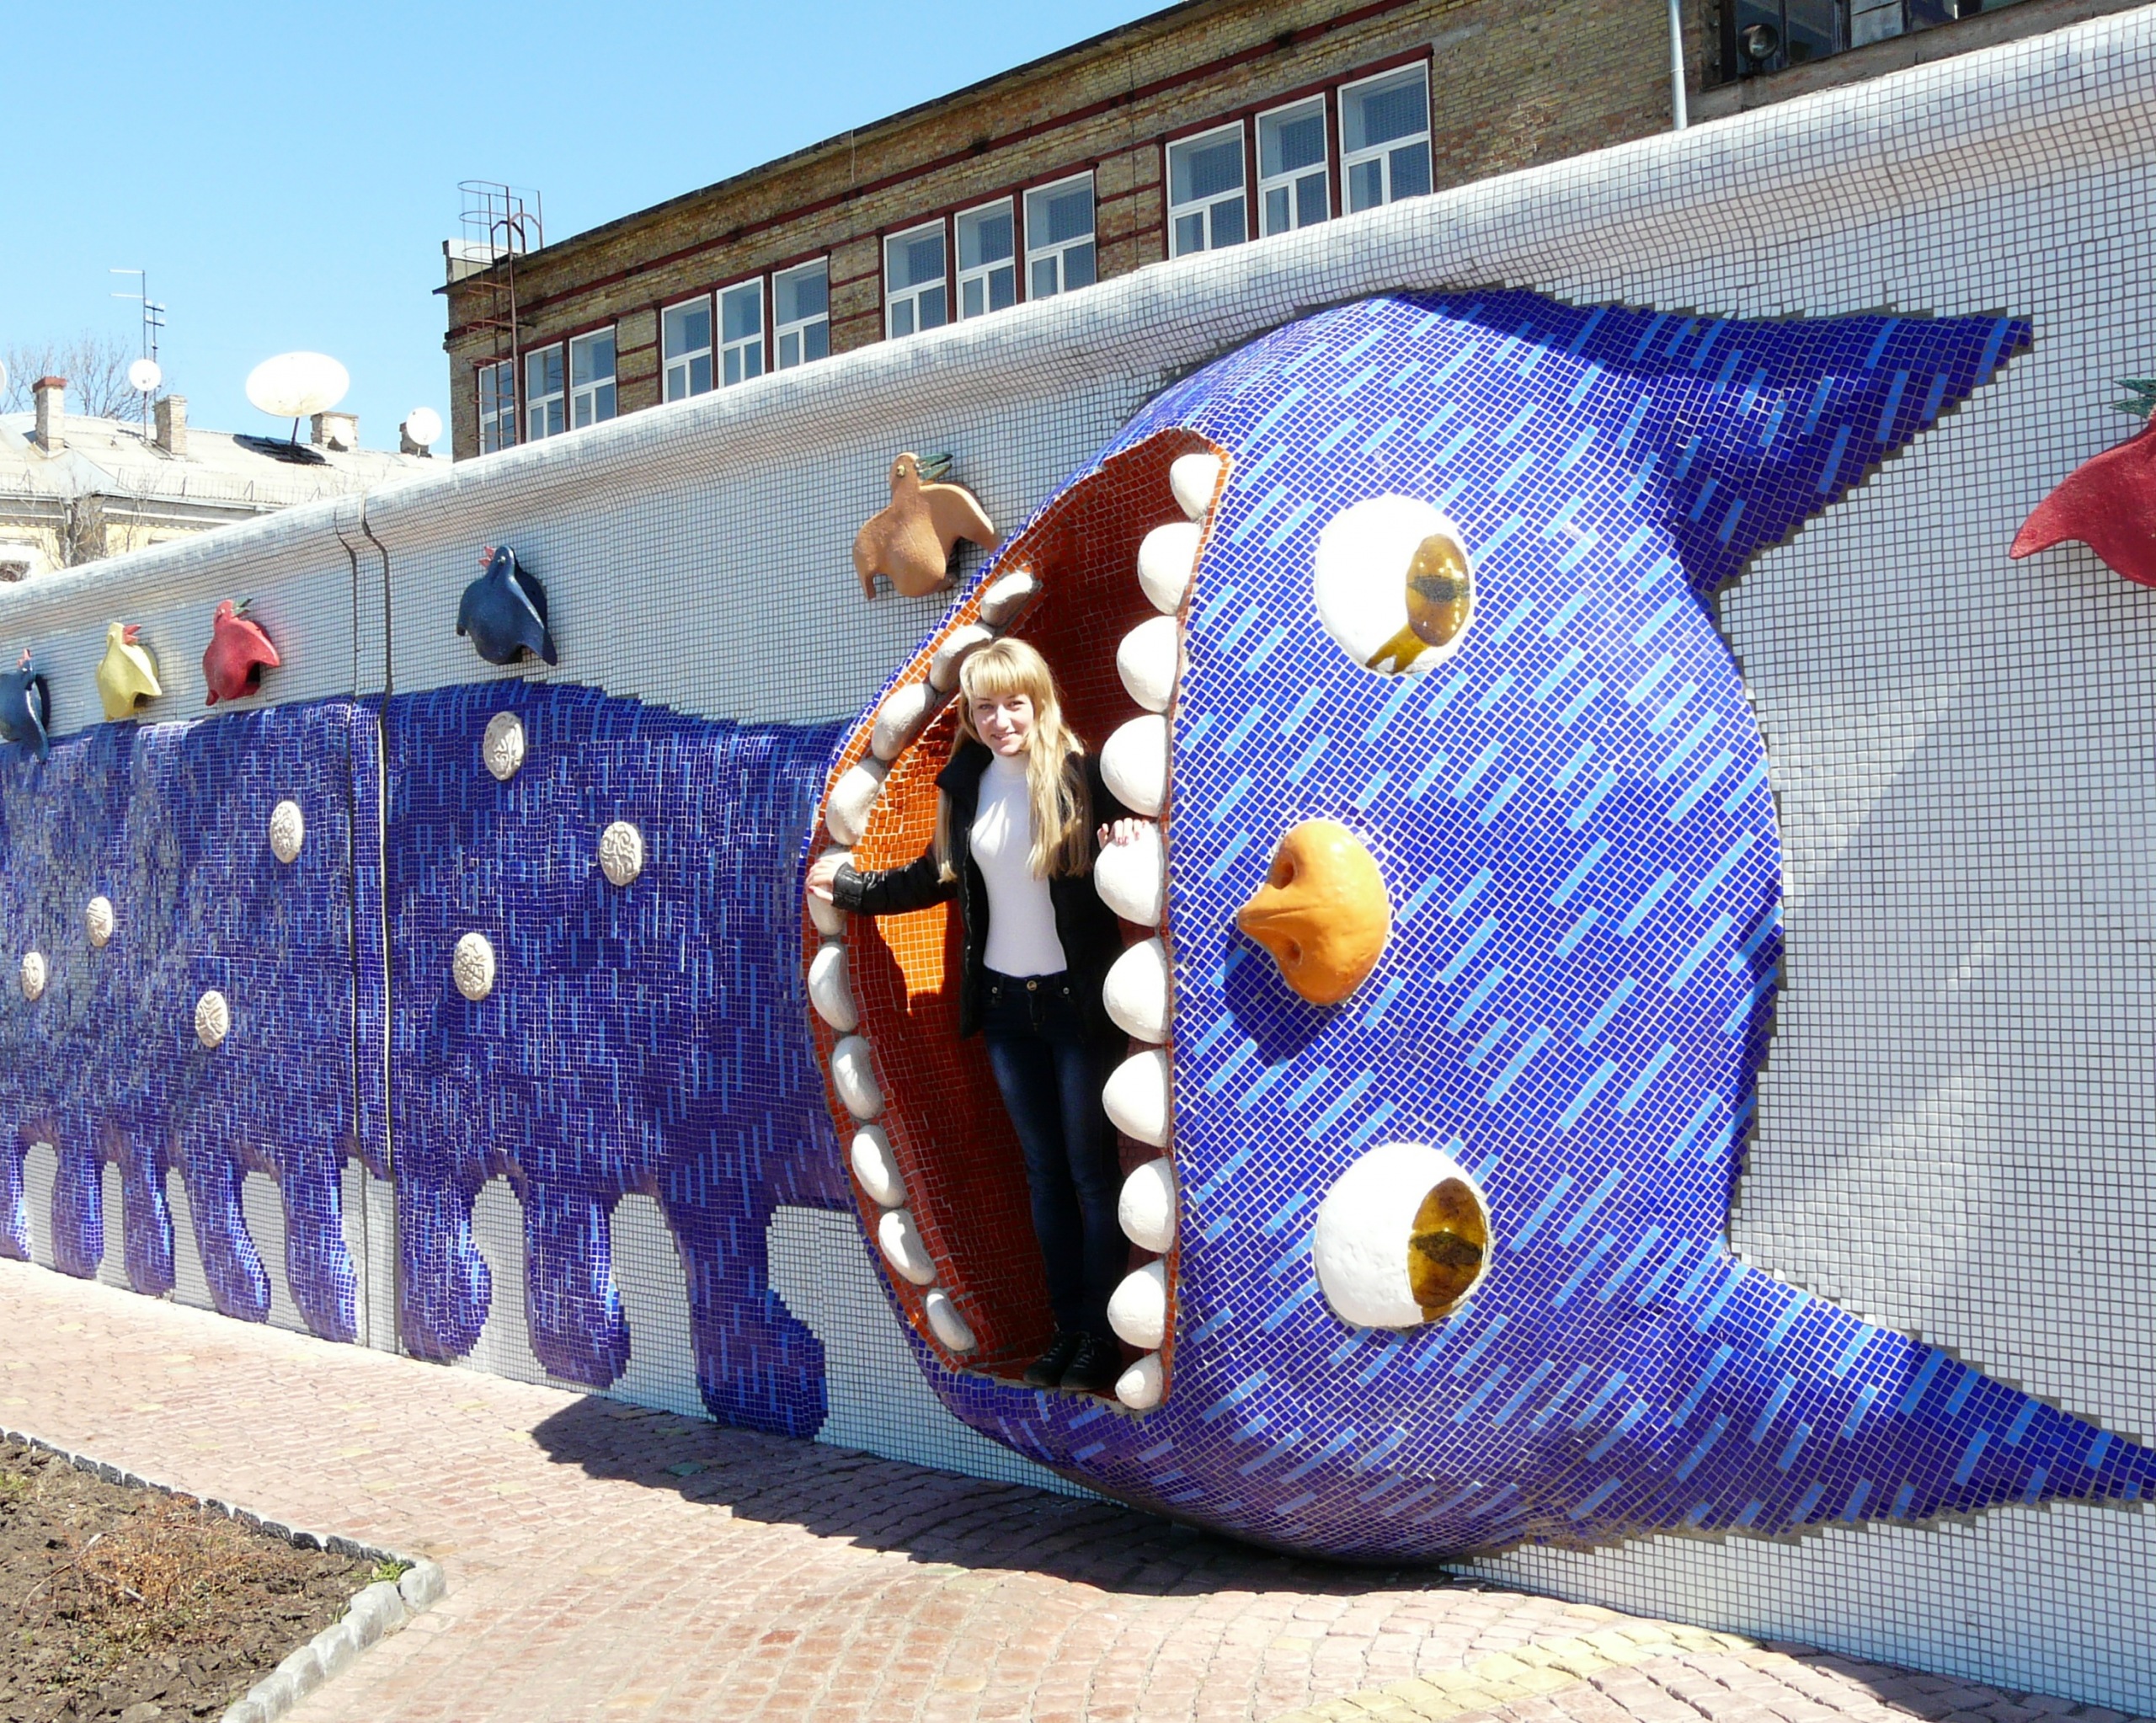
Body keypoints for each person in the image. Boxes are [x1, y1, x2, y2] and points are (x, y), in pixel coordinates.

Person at [808, 638, 1145, 1395]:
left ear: (1039, 701)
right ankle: (1066, 1330)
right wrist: (855, 889)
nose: (1000, 721)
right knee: (1044, 1176)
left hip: (1075, 1010)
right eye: (985, 708)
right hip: (1004, 1009)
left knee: (1091, 1176)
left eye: (1013, 704)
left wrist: (1129, 835)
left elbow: (1139, 846)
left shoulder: (1084, 778)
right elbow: (934, 876)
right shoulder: (968, 783)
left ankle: (1099, 1338)